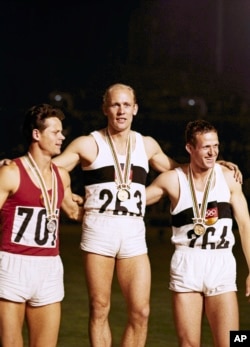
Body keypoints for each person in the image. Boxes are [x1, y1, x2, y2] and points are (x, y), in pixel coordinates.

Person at [50, 83, 242, 347]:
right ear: (105, 108)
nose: (121, 110)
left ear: (135, 109)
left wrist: (213, 164)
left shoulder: (146, 145)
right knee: (99, 306)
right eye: (115, 104)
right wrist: (67, 199)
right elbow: (47, 169)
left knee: (141, 312)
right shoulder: (88, 143)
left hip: (133, 232)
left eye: (126, 104)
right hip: (100, 228)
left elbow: (180, 171)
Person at [146, 119, 250, 347]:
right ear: (189, 148)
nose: (213, 152)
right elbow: (135, 202)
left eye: (216, 146)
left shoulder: (229, 177)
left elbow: (244, 223)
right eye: (206, 147)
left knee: (235, 342)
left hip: (221, 262)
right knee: (188, 344)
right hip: (187, 263)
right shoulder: (172, 180)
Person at [0, 103, 83, 347]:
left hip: (49, 266)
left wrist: (101, 201)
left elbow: (74, 212)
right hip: (12, 264)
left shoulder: (62, 176)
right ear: (37, 134)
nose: (62, 137)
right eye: (55, 132)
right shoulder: (11, 172)